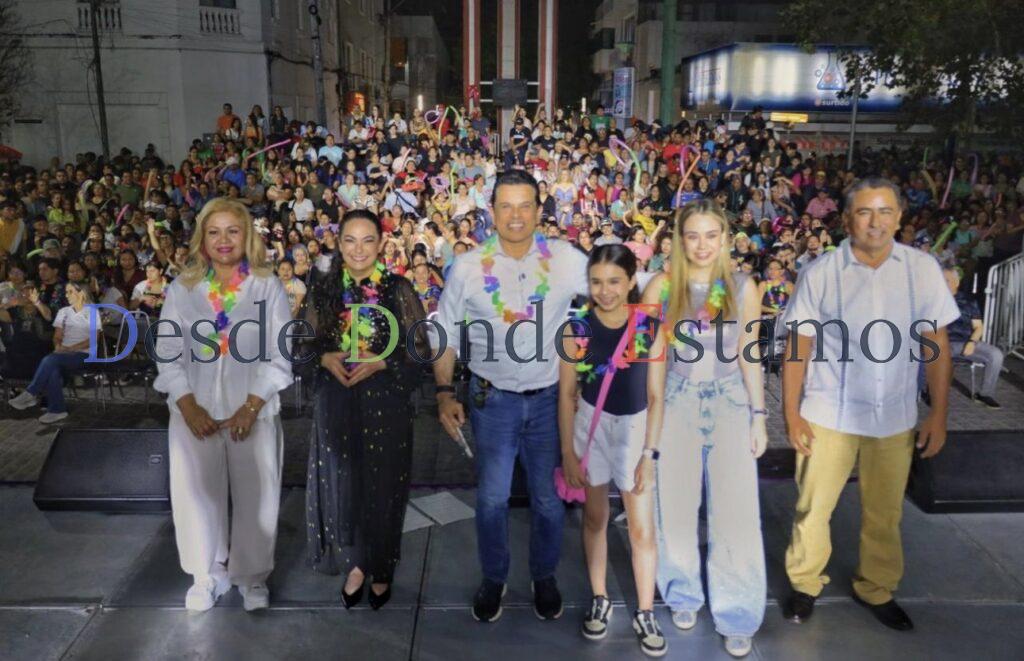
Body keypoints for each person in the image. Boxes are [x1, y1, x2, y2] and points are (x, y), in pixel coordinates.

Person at [781, 178, 959, 632]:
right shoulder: (820, 272)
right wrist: (791, 412)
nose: (874, 222)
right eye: (864, 212)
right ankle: (805, 584)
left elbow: (935, 343)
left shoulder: (921, 270)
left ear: (899, 218)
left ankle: (875, 588)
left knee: (885, 512)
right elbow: (798, 346)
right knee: (813, 508)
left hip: (894, 416)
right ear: (847, 220)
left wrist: (938, 414)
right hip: (829, 414)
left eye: (884, 212)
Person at [432, 170, 588, 623]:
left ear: (540, 211)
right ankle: (494, 578)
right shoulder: (467, 268)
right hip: (491, 402)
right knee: (491, 499)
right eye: (506, 206)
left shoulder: (566, 259)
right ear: (491, 212)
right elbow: (444, 333)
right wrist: (444, 393)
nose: (516, 216)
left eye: (525, 206)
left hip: (549, 401)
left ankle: (544, 576)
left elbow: (612, 292)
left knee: (546, 499)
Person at [152, 198, 293, 613]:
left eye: (233, 230)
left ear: (246, 235)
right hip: (192, 415)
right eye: (214, 232)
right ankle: (206, 574)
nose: (223, 240)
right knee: (197, 496)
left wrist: (250, 407)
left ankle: (251, 578)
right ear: (202, 238)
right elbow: (168, 352)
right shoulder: (183, 288)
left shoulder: (266, 285)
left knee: (257, 496)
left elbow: (279, 353)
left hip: (254, 412)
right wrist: (189, 406)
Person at [642, 200, 767, 658]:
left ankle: (737, 611)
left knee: (735, 513)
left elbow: (749, 353)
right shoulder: (661, 285)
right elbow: (649, 357)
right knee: (673, 508)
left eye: (710, 234)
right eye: (691, 235)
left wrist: (759, 416)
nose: (701, 244)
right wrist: (650, 423)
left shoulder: (742, 286)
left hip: (731, 403)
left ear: (725, 237)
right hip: (676, 404)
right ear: (679, 239)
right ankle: (681, 592)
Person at [304, 209, 429, 610]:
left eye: (368, 240)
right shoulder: (323, 289)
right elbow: (301, 344)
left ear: (381, 244)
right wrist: (324, 358)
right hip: (337, 403)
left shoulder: (398, 288)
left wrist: (383, 362)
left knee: (385, 488)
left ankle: (383, 565)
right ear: (339, 245)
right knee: (347, 487)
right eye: (350, 241)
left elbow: (419, 350)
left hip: (385, 404)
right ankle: (356, 563)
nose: (359, 250)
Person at [558, 245, 666, 657]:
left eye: (615, 282)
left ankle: (645, 609)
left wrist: (649, 454)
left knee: (641, 527)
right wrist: (568, 452)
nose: (605, 291)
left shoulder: (647, 327)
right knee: (596, 516)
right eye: (597, 282)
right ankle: (600, 596)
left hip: (637, 430)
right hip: (591, 427)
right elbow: (567, 394)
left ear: (632, 280)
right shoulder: (578, 329)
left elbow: (656, 396)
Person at [7, 281, 99, 423]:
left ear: (81, 294)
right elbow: (57, 336)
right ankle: (57, 410)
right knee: (52, 368)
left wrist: (70, 349)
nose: (66, 295)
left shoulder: (92, 311)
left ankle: (31, 393)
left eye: (70, 292)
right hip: (63, 354)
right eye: (66, 292)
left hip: (84, 354)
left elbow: (94, 339)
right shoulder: (64, 312)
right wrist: (58, 345)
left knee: (50, 360)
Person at [940, 267, 1003, 408]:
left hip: (965, 343)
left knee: (995, 354)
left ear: (956, 282)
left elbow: (978, 327)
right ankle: (931, 392)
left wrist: (972, 342)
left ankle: (985, 394)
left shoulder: (968, 301)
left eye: (947, 280)